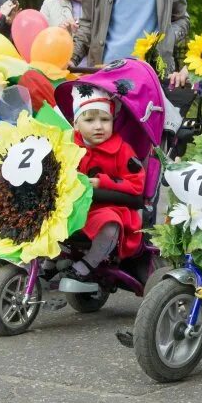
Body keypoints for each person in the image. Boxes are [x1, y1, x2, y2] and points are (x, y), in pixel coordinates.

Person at [62, 84, 146, 288]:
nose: (98, 126)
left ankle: (87, 264)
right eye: (89, 120)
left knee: (109, 223)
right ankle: (53, 257)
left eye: (105, 120)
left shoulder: (122, 150)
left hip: (110, 206)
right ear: (76, 124)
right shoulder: (68, 146)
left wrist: (104, 182)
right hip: (76, 205)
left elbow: (137, 183)